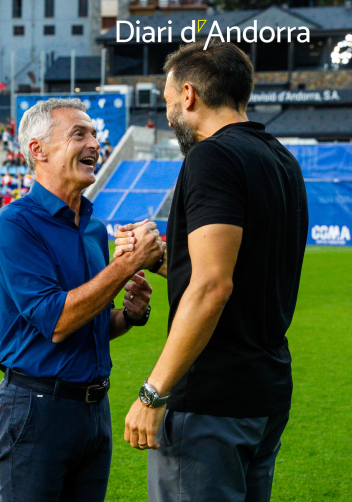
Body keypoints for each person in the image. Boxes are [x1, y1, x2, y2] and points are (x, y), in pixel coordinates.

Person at [114, 41, 309, 502]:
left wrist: (153, 393)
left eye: (166, 104)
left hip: (212, 402)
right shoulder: (281, 159)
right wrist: (158, 259)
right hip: (264, 390)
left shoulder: (211, 156)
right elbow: (242, 272)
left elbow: (212, 285)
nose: (167, 116)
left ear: (188, 95)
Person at [0, 97, 165, 502]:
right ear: (38, 150)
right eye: (79, 134)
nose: (94, 144)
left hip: (94, 409)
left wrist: (130, 315)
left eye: (95, 135)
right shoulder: (14, 225)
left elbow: (92, 324)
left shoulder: (93, 227)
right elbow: (58, 321)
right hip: (36, 409)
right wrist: (126, 266)